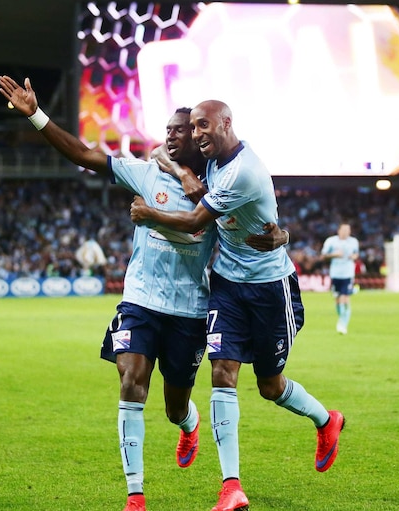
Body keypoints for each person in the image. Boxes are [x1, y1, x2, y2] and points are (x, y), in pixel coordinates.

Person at [0, 77, 287, 511]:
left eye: (182, 130)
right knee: (131, 383)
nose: (171, 135)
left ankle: (188, 426)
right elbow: (83, 154)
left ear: (200, 137)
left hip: (189, 310)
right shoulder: (146, 169)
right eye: (168, 129)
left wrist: (280, 236)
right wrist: (37, 115)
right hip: (140, 301)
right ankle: (136, 496)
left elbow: (254, 218)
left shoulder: (214, 186)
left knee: (174, 407)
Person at [129, 99, 345, 511]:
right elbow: (159, 152)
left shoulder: (244, 171)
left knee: (270, 386)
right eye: (192, 128)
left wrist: (149, 213)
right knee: (222, 373)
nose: (196, 135)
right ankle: (231, 487)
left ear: (227, 124)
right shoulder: (209, 157)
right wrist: (183, 170)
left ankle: (325, 419)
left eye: (203, 126)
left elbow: (195, 222)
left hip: (269, 287)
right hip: (226, 283)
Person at [321, 223, 360, 335]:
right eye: (344, 230)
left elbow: (356, 254)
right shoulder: (331, 241)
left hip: (348, 274)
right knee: (338, 299)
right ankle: (341, 319)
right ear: (338, 231)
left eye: (348, 230)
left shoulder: (353, 241)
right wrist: (334, 255)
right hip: (335, 274)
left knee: (345, 298)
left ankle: (342, 324)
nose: (346, 232)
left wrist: (354, 257)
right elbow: (323, 255)